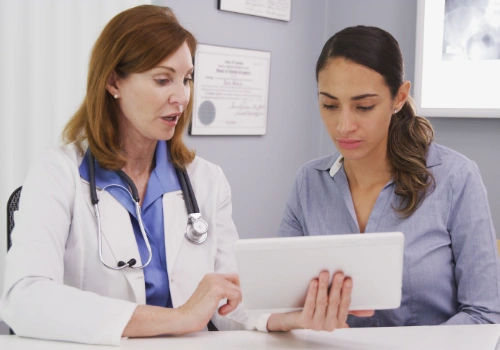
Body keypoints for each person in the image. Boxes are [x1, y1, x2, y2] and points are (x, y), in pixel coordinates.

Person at [0, 6, 371, 345]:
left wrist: (290, 315)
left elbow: (233, 304)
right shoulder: (58, 174)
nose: (182, 97)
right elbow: (23, 296)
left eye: (188, 79)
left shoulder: (206, 182)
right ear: (113, 82)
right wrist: (179, 318)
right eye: (163, 80)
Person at [279, 25, 500, 327]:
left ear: (399, 97)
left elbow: (485, 314)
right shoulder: (309, 182)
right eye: (330, 104)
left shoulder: (456, 178)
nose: (344, 125)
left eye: (364, 106)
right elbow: (280, 303)